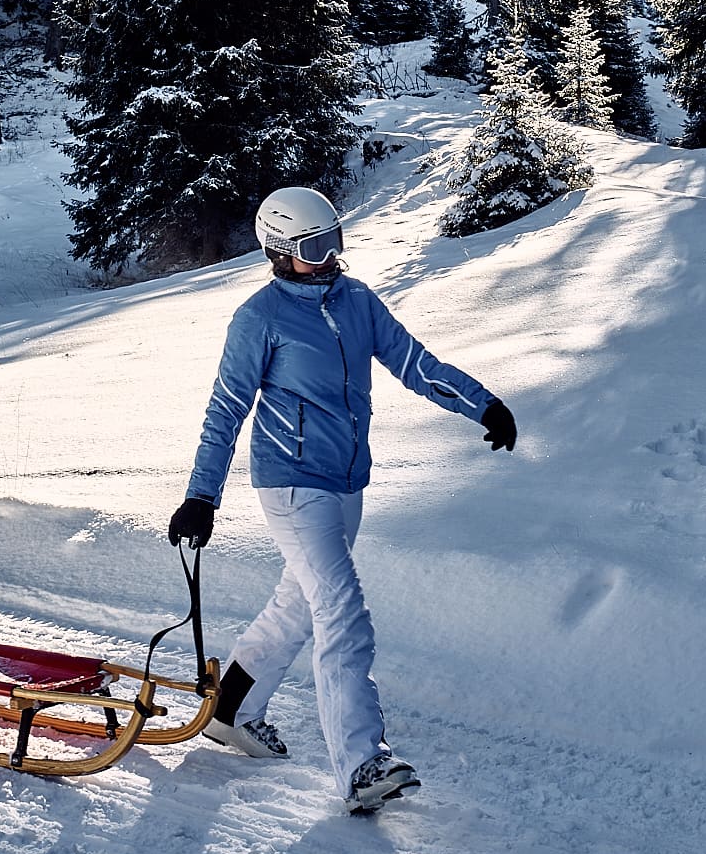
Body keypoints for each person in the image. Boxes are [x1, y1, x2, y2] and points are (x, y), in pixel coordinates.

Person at [168, 186, 516, 813]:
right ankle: (362, 765)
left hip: (347, 484)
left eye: (333, 242)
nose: (328, 258)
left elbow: (414, 362)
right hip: (293, 484)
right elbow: (226, 410)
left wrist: (482, 403)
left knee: (298, 607)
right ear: (278, 251)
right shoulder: (260, 319)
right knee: (341, 611)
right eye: (312, 248)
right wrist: (202, 496)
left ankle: (231, 709)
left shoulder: (357, 301)